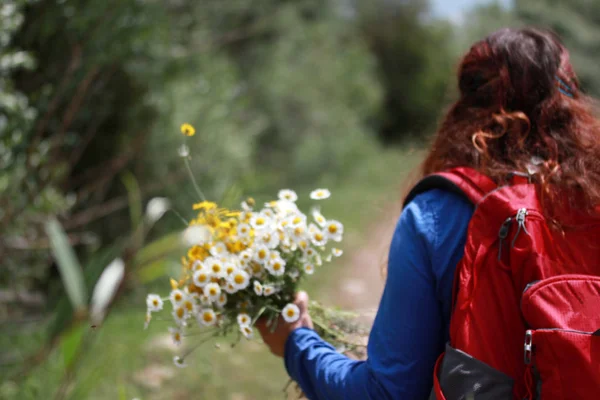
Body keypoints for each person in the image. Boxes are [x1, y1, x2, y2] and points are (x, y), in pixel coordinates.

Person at [257, 27, 600, 399]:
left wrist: (297, 344)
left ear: (468, 108)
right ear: (573, 107)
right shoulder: (592, 200)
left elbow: (387, 393)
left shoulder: (437, 214)